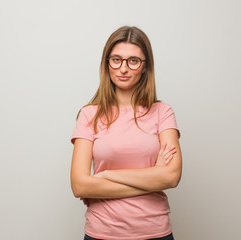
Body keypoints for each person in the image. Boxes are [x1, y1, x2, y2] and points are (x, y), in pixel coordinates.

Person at [70, 26, 182, 240]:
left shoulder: (162, 112)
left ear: (144, 66)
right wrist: (151, 179)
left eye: (133, 61)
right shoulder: (88, 114)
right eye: (116, 60)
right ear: (107, 64)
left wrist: (105, 177)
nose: (123, 68)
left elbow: (171, 176)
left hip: (155, 232)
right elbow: (79, 185)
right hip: (102, 233)